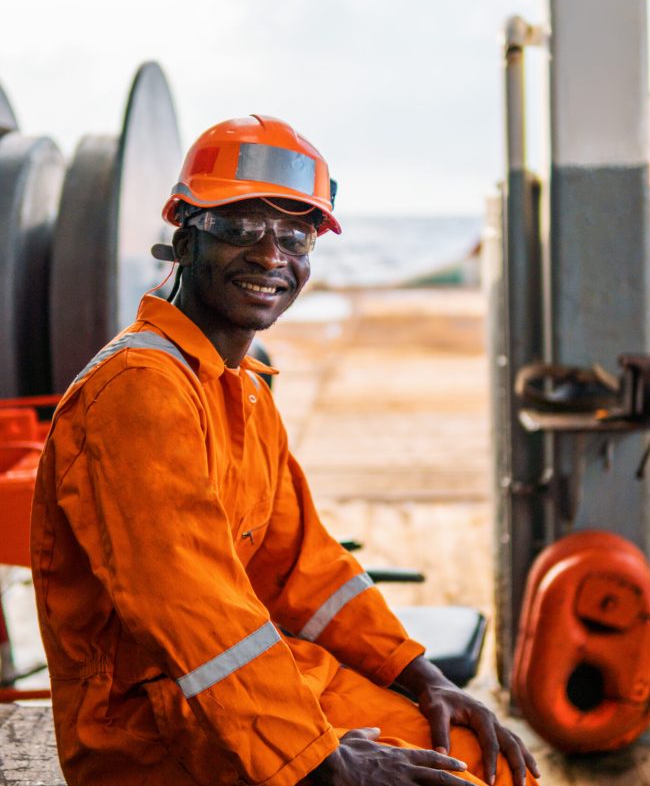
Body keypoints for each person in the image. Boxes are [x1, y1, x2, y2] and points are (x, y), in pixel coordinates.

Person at [31, 115, 540, 786]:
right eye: (241, 228)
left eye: (295, 234)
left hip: (237, 700)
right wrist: (329, 765)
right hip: (149, 733)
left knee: (493, 767)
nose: (272, 256)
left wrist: (422, 678)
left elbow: (307, 570)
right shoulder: (139, 396)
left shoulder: (238, 386)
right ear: (184, 239)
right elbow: (198, 619)